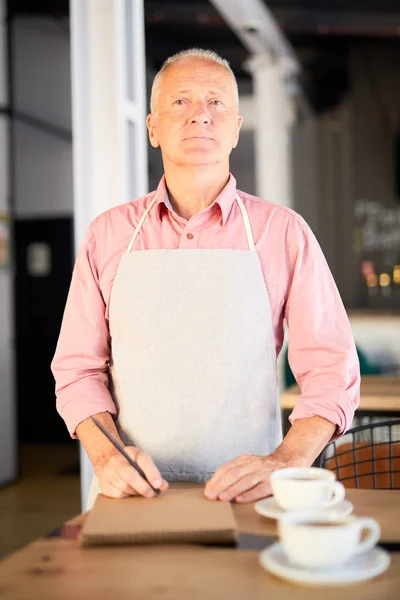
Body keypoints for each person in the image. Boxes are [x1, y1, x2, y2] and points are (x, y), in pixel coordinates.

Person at [51, 48, 360, 509]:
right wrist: (107, 456)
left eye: (217, 102)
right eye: (181, 102)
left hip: (253, 493)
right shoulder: (108, 235)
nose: (201, 115)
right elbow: (77, 371)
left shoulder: (283, 233)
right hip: (134, 493)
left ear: (236, 127)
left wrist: (285, 460)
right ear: (153, 127)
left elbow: (332, 371)